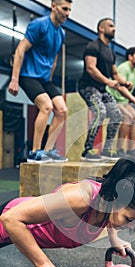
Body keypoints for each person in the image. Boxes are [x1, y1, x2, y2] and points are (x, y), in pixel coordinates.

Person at [0, 158, 135, 267]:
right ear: (115, 199)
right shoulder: (80, 199)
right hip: (9, 222)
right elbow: (10, 219)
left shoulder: (108, 203)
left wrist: (113, 238)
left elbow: (112, 215)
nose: (131, 227)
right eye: (128, 219)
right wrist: (43, 264)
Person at [8, 0, 72, 164]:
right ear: (53, 6)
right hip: (27, 75)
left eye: (69, 10)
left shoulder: (61, 33)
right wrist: (14, 79)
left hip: (44, 79)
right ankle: (35, 152)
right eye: (64, 9)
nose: (67, 13)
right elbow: (20, 49)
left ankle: (48, 150)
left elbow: (54, 57)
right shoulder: (39, 25)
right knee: (47, 106)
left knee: (62, 110)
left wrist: (49, 80)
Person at [78, 18, 135, 162]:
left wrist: (124, 83)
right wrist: (108, 82)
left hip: (101, 89)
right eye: (111, 26)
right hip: (87, 87)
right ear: (101, 28)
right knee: (100, 112)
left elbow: (115, 74)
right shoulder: (93, 46)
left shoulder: (111, 52)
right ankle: (87, 150)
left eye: (114, 26)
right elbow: (90, 68)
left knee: (117, 115)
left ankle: (106, 150)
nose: (114, 29)